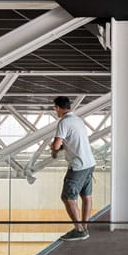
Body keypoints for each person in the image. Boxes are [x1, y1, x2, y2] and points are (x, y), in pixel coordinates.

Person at [50, 96, 96, 242]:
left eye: (55, 108)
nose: (55, 110)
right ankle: (84, 227)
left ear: (58, 107)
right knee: (86, 195)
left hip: (78, 166)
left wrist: (53, 149)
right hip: (89, 162)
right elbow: (73, 140)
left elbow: (57, 144)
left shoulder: (64, 122)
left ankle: (79, 230)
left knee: (67, 197)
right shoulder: (78, 120)